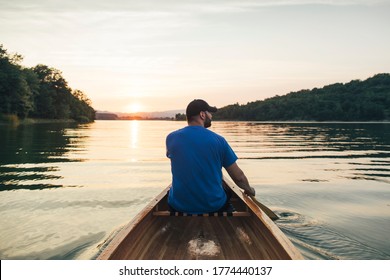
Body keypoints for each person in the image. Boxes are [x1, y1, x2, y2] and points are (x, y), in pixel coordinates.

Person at [166, 99, 255, 214]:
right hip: (213, 206)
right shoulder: (219, 140)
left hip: (179, 206)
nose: (211, 116)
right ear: (202, 115)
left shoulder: (171, 138)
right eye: (210, 113)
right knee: (227, 192)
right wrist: (250, 190)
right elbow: (239, 177)